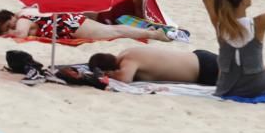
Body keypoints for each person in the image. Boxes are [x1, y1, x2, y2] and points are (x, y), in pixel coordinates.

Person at [0, 10, 173, 42]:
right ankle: (149, 33)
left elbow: (20, 34)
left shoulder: (22, 18)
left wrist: (10, 34)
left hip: (69, 25)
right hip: (68, 25)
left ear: (11, 17)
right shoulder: (22, 16)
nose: (10, 31)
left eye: (8, 26)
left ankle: (152, 34)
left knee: (112, 32)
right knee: (110, 32)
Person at [88, 47, 219, 85]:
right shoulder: (127, 52)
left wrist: (109, 75)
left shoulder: (128, 61)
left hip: (204, 70)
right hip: (199, 58)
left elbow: (124, 79)